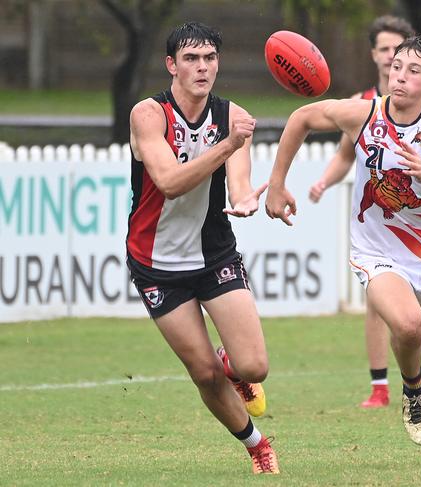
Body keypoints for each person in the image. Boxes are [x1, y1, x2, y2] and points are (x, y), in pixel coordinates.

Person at [267, 35, 421, 466]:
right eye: (396, 67)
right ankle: (413, 390)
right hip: (376, 249)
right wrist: (276, 183)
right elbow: (303, 117)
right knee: (406, 325)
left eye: (412, 70)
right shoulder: (364, 114)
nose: (399, 75)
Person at [126, 22, 278, 474]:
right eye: (191, 58)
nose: (202, 67)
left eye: (210, 58)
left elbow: (239, 186)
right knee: (204, 373)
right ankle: (258, 447)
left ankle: (236, 369)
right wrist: (229, 144)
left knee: (254, 367)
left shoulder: (233, 116)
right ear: (171, 65)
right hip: (155, 263)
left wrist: (249, 200)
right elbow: (170, 183)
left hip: (214, 254)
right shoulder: (149, 115)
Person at [308, 15, 421, 410]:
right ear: (374, 55)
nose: (393, 58)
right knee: (383, 305)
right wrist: (323, 182)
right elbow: (342, 155)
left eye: (398, 49)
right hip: (378, 228)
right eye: (386, 50)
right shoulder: (360, 106)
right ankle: (380, 386)